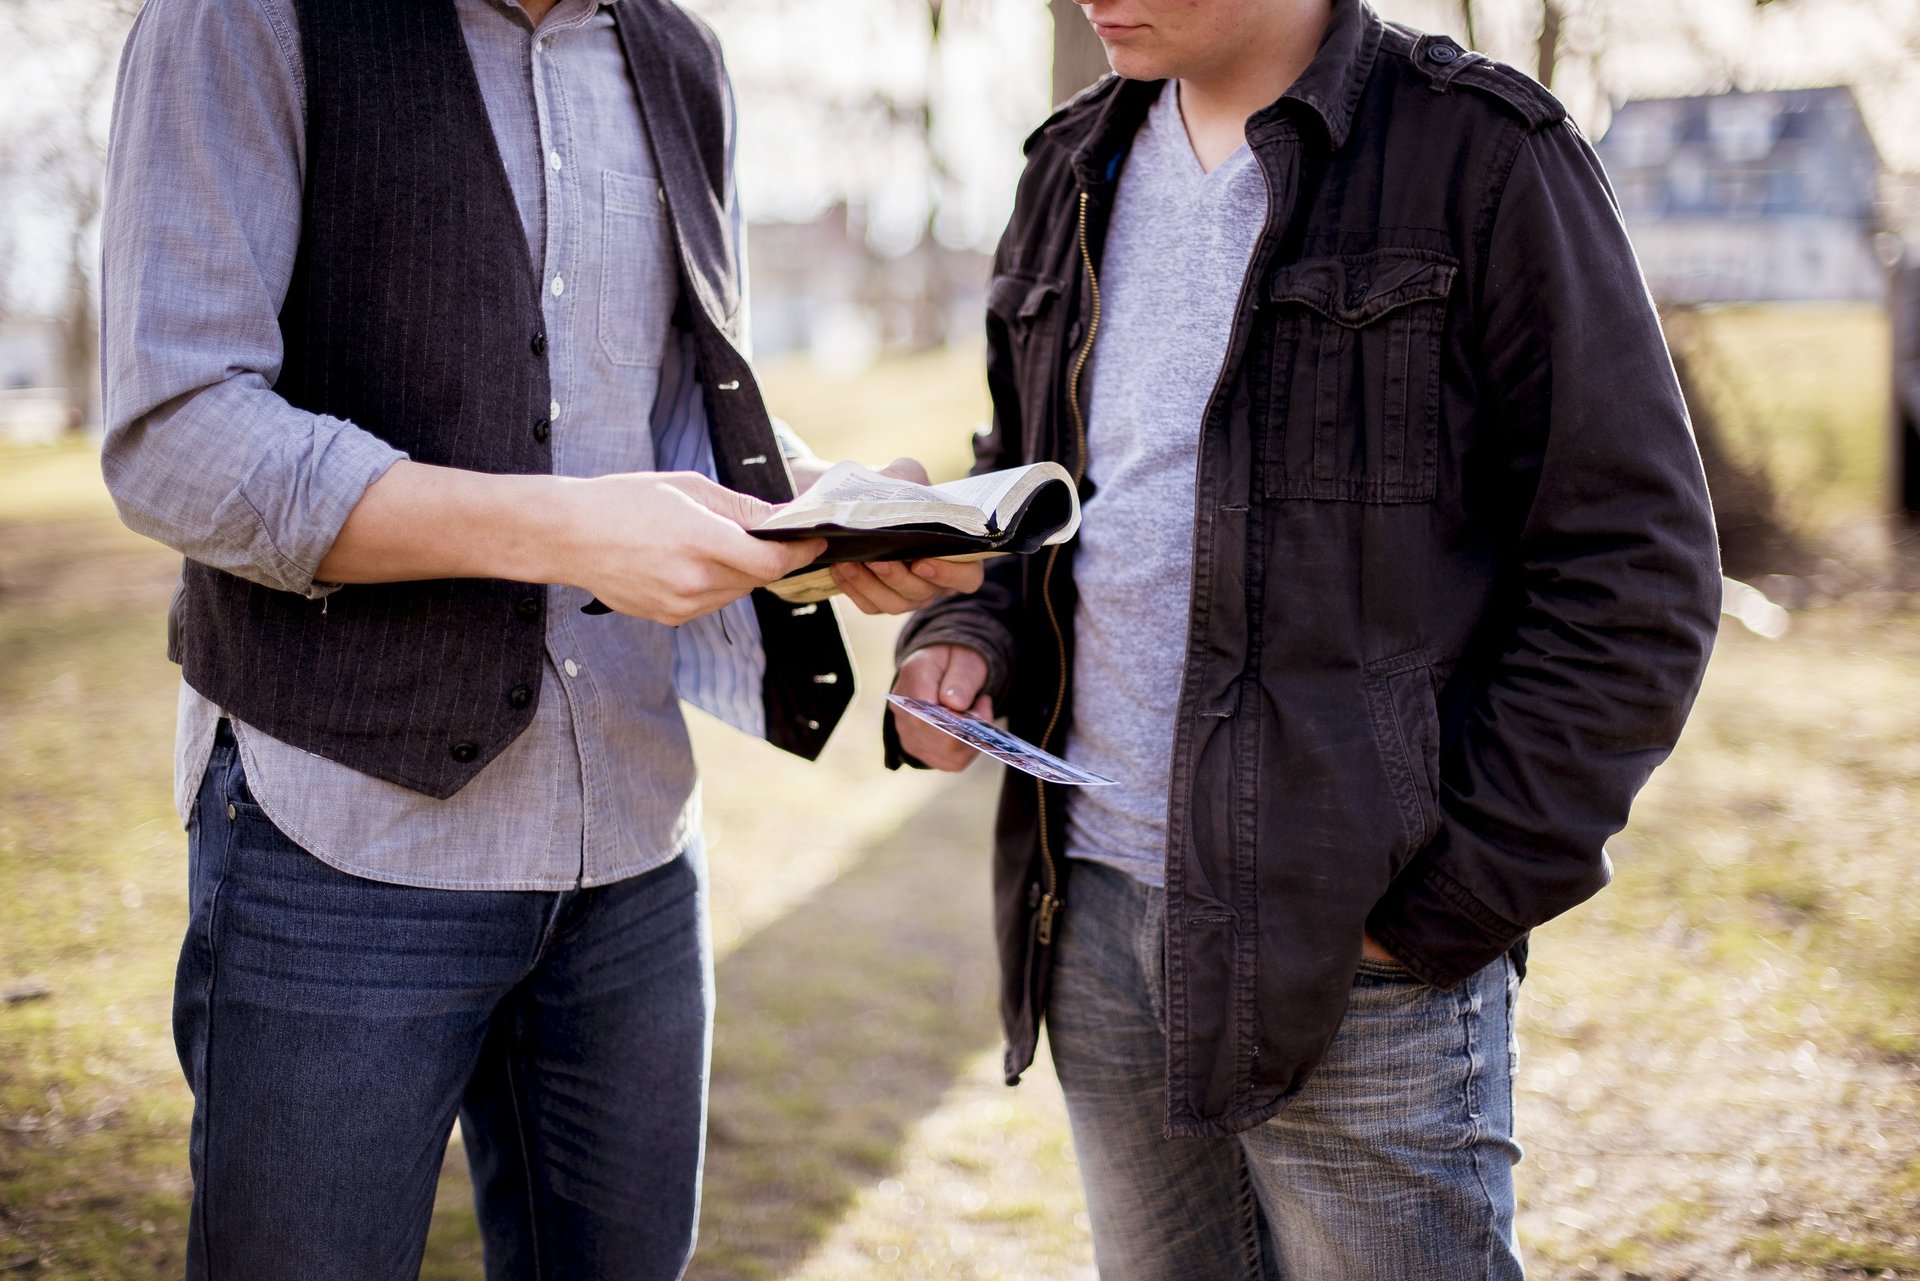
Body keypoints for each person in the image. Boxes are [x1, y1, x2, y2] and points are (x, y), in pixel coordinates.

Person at [99, 0, 977, 1275]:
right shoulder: (243, 20)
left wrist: (827, 516)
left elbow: (658, 418)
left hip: (630, 846)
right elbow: (176, 434)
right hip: (340, 835)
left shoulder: (681, 55)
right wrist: (562, 531)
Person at [887, 0, 1720, 1275]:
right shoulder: (1068, 166)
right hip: (1096, 920)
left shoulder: (1483, 154)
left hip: (1358, 953)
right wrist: (968, 626)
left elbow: (1635, 573)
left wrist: (1451, 903)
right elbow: (1024, 481)